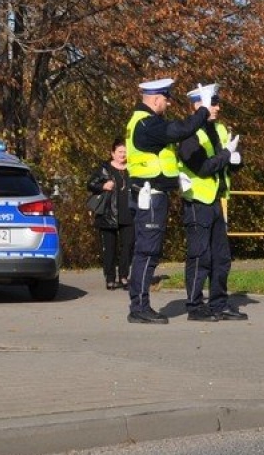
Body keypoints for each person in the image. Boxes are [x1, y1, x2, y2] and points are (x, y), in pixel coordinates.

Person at [123, 78, 213, 325]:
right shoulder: (146, 123)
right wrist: (203, 110)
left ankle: (140, 304)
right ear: (154, 99)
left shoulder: (145, 122)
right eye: (166, 98)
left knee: (149, 250)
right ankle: (139, 307)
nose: (168, 103)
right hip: (149, 195)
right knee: (147, 250)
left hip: (153, 193)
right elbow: (181, 130)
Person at [176, 84, 245, 321]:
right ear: (197, 105)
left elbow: (228, 162)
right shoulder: (189, 134)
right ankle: (195, 306)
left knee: (221, 256)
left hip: (215, 199)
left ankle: (219, 303)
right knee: (200, 255)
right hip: (197, 201)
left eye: (217, 103)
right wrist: (226, 156)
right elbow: (203, 168)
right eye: (212, 103)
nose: (217, 107)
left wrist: (236, 159)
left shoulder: (219, 129)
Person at [86, 141, 134, 290]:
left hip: (129, 213)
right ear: (113, 153)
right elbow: (90, 184)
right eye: (120, 152)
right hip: (108, 214)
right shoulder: (105, 168)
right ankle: (110, 278)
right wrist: (103, 185)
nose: (123, 154)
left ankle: (124, 276)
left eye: (125, 151)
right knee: (110, 248)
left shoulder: (133, 168)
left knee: (128, 246)